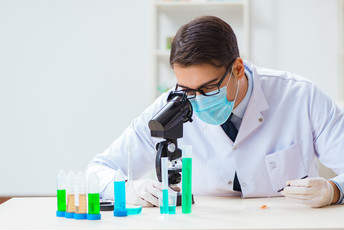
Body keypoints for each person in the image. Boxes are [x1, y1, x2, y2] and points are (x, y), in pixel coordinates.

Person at [85, 16, 344, 208]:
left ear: (238, 69)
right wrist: (129, 190)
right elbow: (98, 170)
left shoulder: (302, 97)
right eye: (187, 89)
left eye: (208, 88)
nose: (197, 101)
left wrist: (334, 189)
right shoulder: (171, 106)